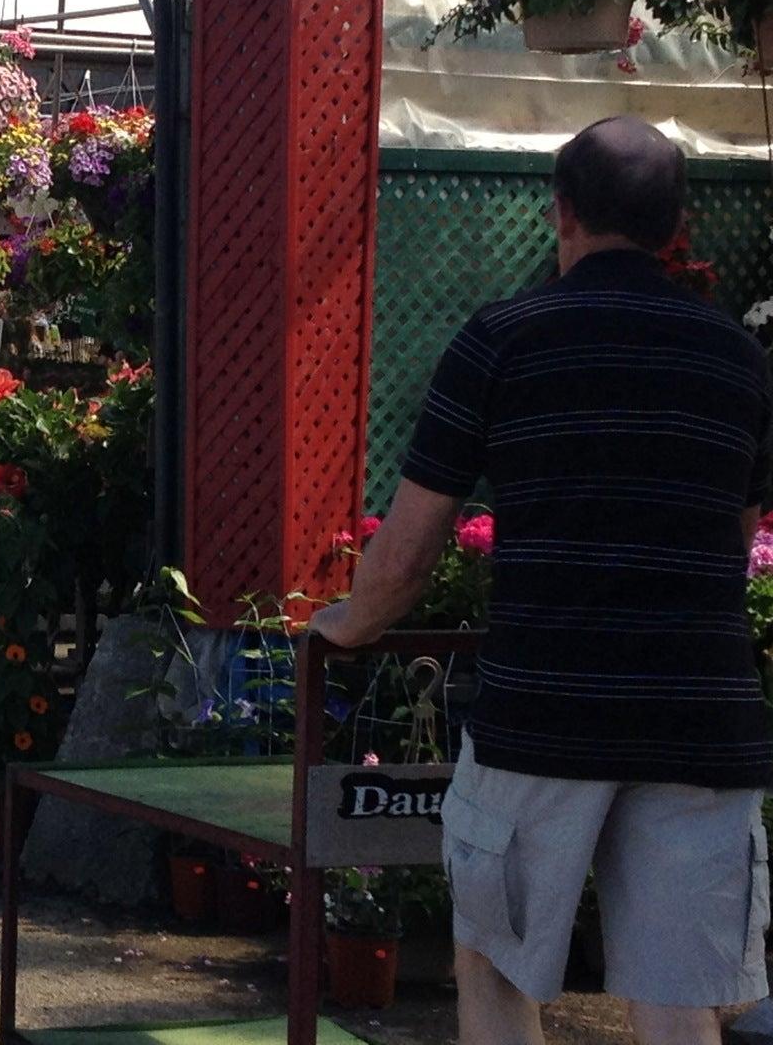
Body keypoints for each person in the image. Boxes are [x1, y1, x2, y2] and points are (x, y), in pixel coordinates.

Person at [311, 117, 773, 1045]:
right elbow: (736, 534)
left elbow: (409, 549)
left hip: (544, 714)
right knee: (681, 993)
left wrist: (347, 625)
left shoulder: (503, 339)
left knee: (495, 964)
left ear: (560, 212)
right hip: (701, 715)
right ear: (675, 223)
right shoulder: (739, 357)